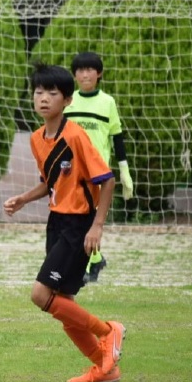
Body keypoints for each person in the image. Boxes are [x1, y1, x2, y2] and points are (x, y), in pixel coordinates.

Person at [4, 64, 127, 382]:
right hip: (56, 221)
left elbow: (107, 180)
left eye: (52, 93)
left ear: (68, 100)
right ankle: (105, 368)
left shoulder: (75, 135)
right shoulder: (36, 138)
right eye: (38, 92)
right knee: (64, 303)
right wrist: (24, 198)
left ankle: (108, 331)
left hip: (79, 224)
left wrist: (97, 226)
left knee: (40, 294)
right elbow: (51, 182)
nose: (43, 98)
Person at [66, 51, 133, 283]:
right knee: (75, 218)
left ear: (99, 73)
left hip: (97, 172)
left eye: (90, 70)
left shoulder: (108, 102)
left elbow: (117, 137)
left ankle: (85, 266)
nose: (85, 75)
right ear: (74, 75)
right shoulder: (68, 101)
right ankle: (95, 260)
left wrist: (124, 171)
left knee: (89, 218)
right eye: (80, 70)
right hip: (72, 170)